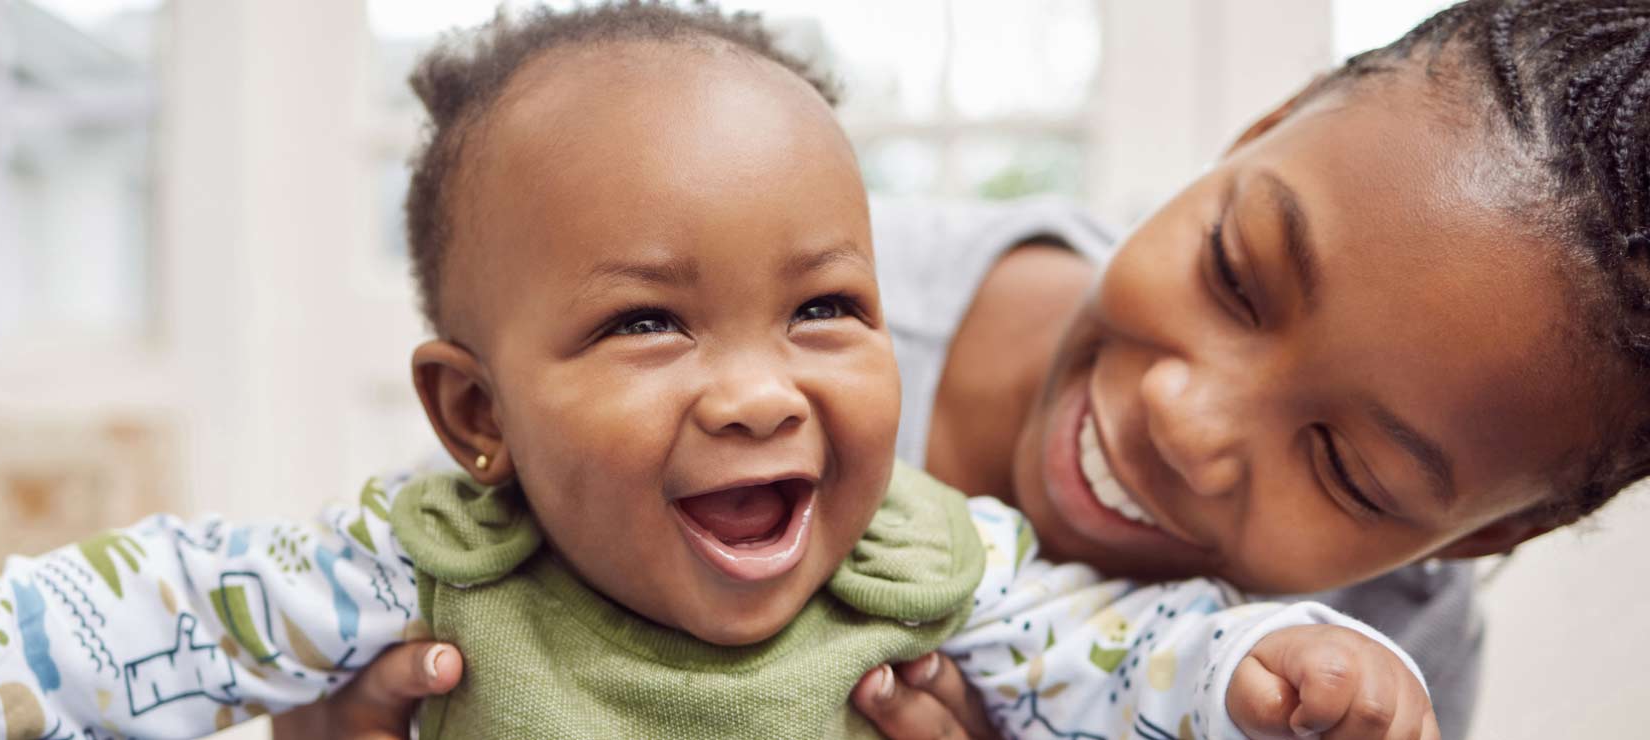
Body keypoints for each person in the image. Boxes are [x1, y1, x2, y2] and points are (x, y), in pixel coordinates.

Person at [0, 3, 1439, 739]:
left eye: (824, 309)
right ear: (477, 414)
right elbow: (135, 610)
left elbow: (1123, 656)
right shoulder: (409, 570)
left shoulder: (939, 567)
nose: (759, 392)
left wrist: (1277, 667)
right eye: (648, 325)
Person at [213, 1, 1650, 738]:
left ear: (1491, 533)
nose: (1180, 414)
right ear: (1260, 125)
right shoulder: (748, 318)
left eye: (1349, 468)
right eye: (1234, 271)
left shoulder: (1369, 652)